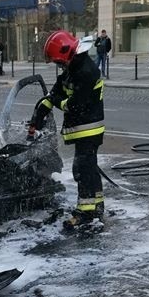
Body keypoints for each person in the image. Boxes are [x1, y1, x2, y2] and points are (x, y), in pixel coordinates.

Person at [27, 30, 105, 231]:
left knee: (82, 169)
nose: (59, 66)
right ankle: (97, 205)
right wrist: (38, 116)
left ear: (67, 53)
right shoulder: (72, 69)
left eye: (59, 62)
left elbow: (73, 105)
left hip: (89, 129)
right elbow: (54, 94)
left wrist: (55, 101)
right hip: (83, 130)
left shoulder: (87, 72)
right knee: (89, 169)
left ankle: (85, 213)